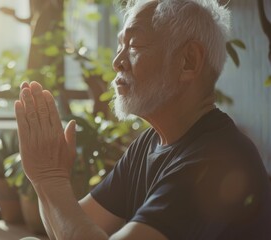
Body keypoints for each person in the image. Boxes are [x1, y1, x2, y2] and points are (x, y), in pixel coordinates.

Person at [14, 0, 271, 239]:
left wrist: (50, 179)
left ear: (188, 61)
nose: (117, 62)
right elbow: (73, 224)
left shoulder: (217, 160)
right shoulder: (150, 143)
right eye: (119, 46)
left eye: (134, 45)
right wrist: (45, 178)